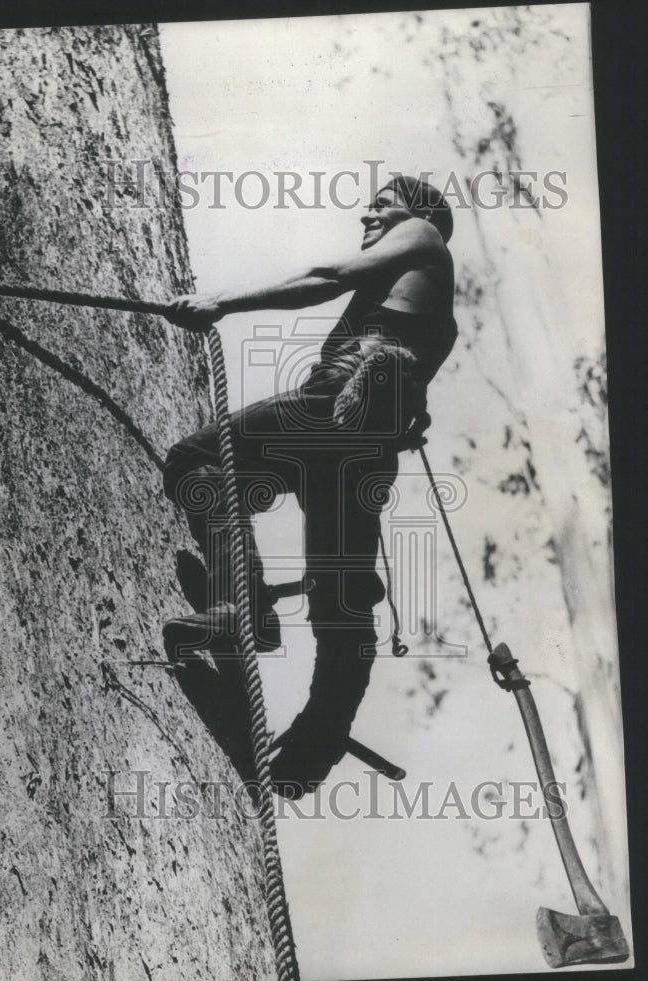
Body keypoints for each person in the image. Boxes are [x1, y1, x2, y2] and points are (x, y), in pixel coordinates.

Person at [162, 175, 457, 798]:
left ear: (420, 213)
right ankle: (314, 746)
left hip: (332, 409)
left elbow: (326, 276)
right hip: (365, 448)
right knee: (341, 604)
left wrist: (222, 301)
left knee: (195, 461)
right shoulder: (420, 296)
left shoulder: (425, 235)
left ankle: (243, 605)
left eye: (382, 205)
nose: (367, 215)